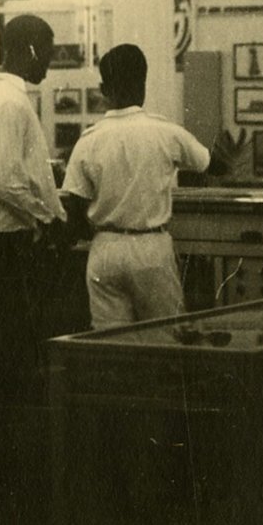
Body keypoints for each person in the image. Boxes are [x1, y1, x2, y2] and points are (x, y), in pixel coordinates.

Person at [60, 44, 214, 329]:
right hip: (150, 247)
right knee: (165, 335)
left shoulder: (88, 140)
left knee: (110, 342)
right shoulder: (166, 132)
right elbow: (209, 164)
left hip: (105, 249)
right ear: (143, 84)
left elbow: (75, 207)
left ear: (103, 89)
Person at [0, 14, 69, 404]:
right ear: (29, 49)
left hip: (0, 235)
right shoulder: (10, 102)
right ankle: (9, 421)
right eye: (47, 52)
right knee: (14, 340)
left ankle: (2, 418)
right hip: (5, 237)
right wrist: (48, 219)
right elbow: (7, 182)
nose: (48, 63)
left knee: (9, 337)